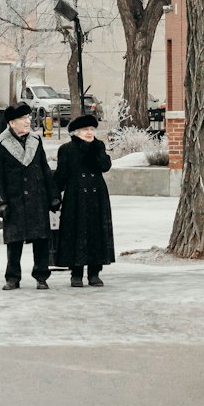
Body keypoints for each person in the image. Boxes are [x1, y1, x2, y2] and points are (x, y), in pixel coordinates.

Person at [0, 102, 60, 290]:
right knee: (14, 240)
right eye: (23, 118)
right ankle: (12, 277)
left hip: (37, 198)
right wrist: (1, 200)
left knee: (41, 239)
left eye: (29, 117)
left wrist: (53, 195)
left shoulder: (36, 140)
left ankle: (41, 275)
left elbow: (44, 169)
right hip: (14, 199)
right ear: (12, 123)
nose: (28, 121)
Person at [54, 114, 115, 288]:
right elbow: (61, 175)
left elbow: (105, 166)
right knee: (76, 232)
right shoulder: (66, 149)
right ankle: (76, 273)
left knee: (96, 232)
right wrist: (54, 196)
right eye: (85, 130)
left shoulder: (99, 146)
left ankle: (95, 273)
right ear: (76, 132)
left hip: (97, 196)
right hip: (76, 196)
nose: (89, 133)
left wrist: (94, 148)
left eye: (91, 129)